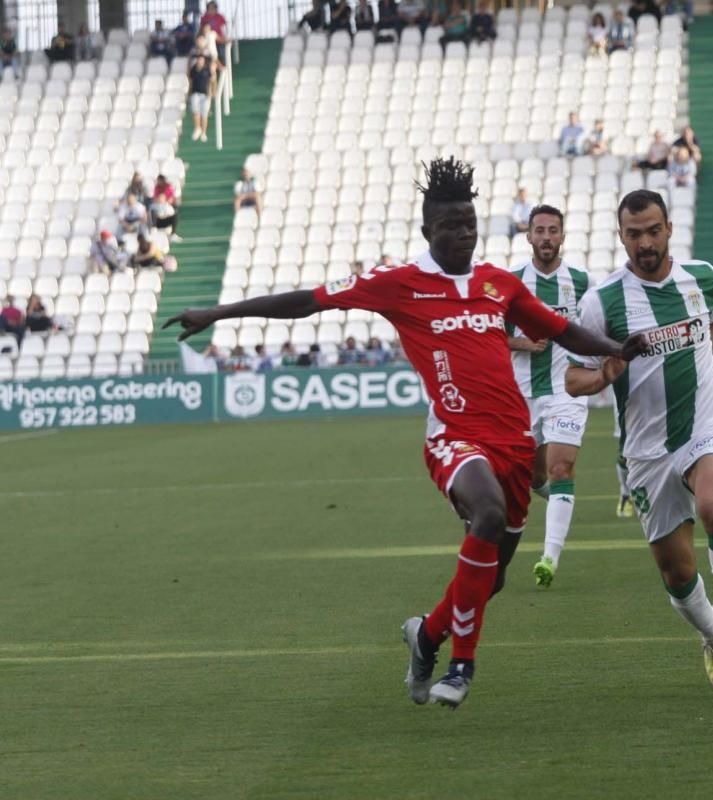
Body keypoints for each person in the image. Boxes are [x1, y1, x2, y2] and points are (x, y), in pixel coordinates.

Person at [164, 157, 646, 709]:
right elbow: (307, 302)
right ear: (426, 231)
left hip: (514, 439)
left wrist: (614, 349)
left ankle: (427, 635)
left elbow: (560, 329)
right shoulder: (400, 284)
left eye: (469, 222)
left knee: (493, 578)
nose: (463, 232)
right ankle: (461, 666)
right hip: (454, 436)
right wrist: (218, 312)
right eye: (450, 225)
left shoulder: (498, 284)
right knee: (486, 514)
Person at [566, 189, 713, 685]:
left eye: (654, 230)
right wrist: (608, 372)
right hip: (647, 451)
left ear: (670, 228)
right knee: (677, 573)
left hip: (706, 421)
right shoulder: (602, 302)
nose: (645, 242)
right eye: (634, 234)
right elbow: (573, 378)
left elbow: (712, 325)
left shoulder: (702, 277)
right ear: (622, 236)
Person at [505, 205, 593, 588]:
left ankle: (549, 558)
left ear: (562, 236)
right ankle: (560, 499)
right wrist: (521, 342)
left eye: (552, 230)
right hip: (522, 393)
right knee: (534, 475)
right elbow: (491, 334)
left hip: (566, 389)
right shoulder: (510, 284)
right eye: (539, 230)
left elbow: (595, 329)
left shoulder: (582, 282)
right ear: (528, 236)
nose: (545, 236)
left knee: (561, 468)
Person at [188, 54, 213, 143]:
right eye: (199, 60)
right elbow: (190, 81)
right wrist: (189, 92)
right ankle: (197, 128)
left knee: (204, 114)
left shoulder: (207, 70)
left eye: (201, 60)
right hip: (195, 93)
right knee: (196, 112)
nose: (200, 61)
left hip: (205, 94)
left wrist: (211, 92)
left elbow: (211, 81)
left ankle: (203, 132)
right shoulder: (193, 69)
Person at [151, 175, 181, 241]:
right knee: (152, 212)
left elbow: (172, 196)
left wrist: (166, 201)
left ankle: (173, 234)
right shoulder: (154, 206)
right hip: (158, 221)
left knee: (175, 215)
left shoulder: (168, 206)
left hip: (165, 220)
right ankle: (153, 229)